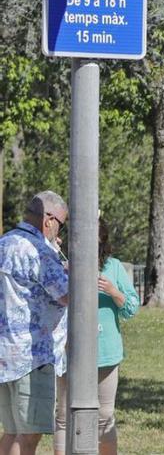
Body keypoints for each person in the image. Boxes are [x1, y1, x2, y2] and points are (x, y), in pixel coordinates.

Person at [54, 217, 139, 455]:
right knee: (63, 416)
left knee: (104, 416)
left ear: (102, 241)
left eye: (95, 240)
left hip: (106, 354)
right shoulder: (64, 265)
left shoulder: (113, 267)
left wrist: (113, 292)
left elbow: (132, 307)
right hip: (69, 351)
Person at [0, 191, 69, 455]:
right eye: (61, 224)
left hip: (5, 355)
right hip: (33, 356)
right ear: (49, 220)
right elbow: (66, 295)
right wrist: (71, 269)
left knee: (12, 432)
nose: (58, 230)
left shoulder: (5, 242)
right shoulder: (39, 251)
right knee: (28, 437)